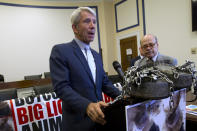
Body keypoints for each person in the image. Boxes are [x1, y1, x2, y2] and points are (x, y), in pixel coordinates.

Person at [50, 7, 120, 131]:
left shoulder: (96, 55)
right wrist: (87, 105)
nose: (92, 26)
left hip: (100, 121)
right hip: (77, 123)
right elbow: (62, 87)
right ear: (75, 28)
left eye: (94, 22)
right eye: (87, 21)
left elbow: (105, 83)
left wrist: (124, 97)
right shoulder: (61, 51)